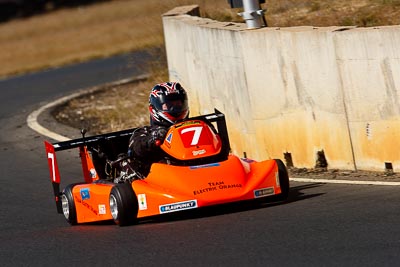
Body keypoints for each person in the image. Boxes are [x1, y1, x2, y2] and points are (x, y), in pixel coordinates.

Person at [118, 82, 189, 181]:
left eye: (178, 104)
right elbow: (137, 149)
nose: (175, 108)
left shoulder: (197, 125)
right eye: (169, 105)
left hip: (196, 170)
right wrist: (153, 139)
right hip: (162, 178)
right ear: (153, 108)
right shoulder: (145, 132)